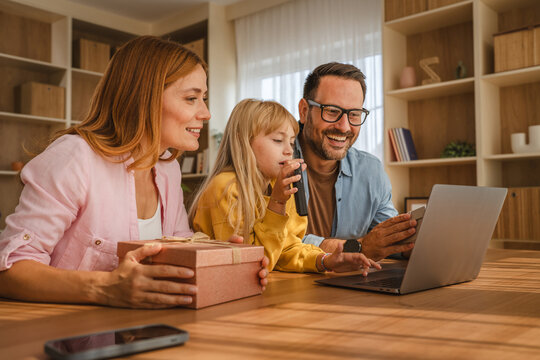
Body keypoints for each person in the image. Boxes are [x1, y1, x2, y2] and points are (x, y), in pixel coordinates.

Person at [0, 36, 267, 309]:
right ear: (145, 98)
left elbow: (176, 251)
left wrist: (223, 261)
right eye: (191, 98)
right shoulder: (74, 157)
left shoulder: (168, 169)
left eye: (204, 99)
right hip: (69, 340)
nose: (206, 113)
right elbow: (10, 271)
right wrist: (106, 288)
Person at [189, 99, 381, 274]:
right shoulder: (226, 188)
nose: (289, 150)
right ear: (243, 142)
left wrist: (326, 260)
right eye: (278, 140)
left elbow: (287, 248)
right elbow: (250, 265)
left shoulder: (278, 186)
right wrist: (277, 204)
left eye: (291, 142)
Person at [297, 62, 416, 261]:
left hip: (351, 287)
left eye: (354, 114)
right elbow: (270, 240)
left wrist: (413, 244)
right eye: (332, 111)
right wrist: (358, 247)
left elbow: (386, 241)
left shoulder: (371, 170)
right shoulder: (272, 162)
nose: (344, 127)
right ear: (304, 111)